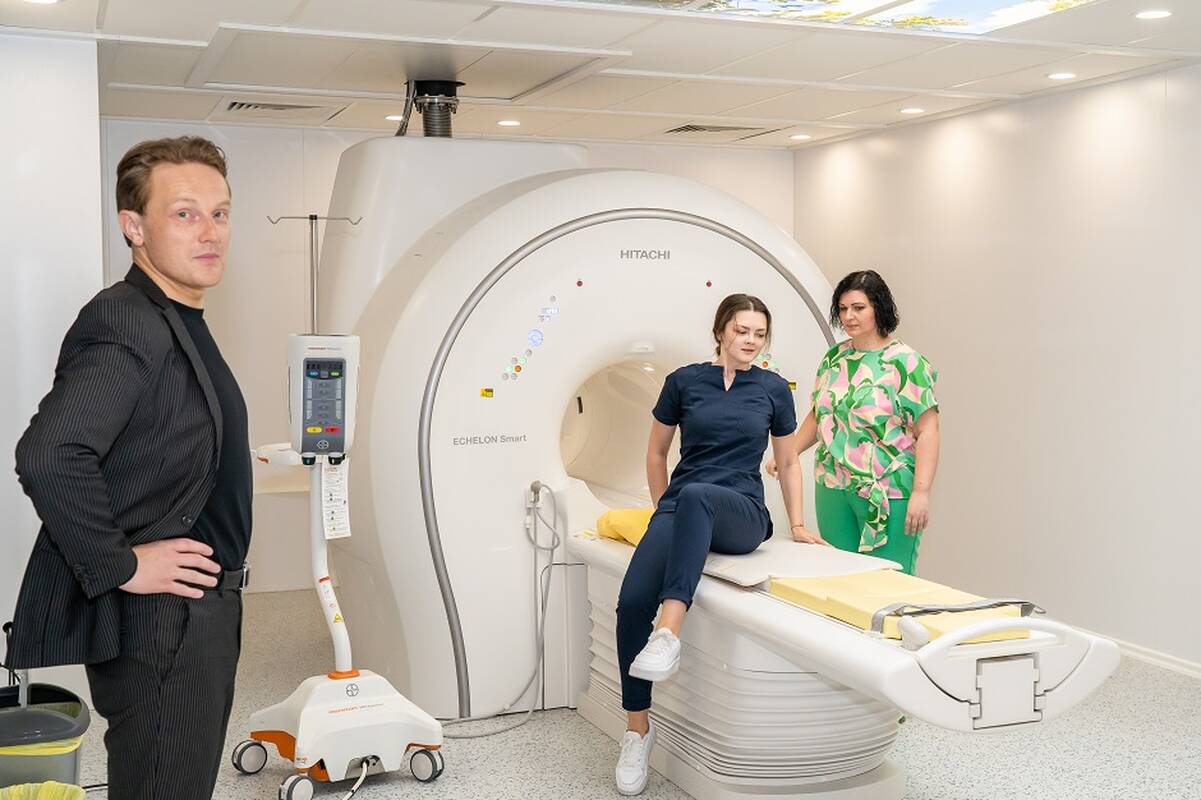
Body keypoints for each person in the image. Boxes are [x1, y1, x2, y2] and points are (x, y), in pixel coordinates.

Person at [7, 136, 251, 799]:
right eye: (185, 213)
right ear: (134, 227)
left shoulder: (176, 316)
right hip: (165, 620)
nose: (210, 232)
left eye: (220, 213)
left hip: (196, 611)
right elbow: (50, 454)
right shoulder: (127, 318)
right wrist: (120, 564)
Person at [613, 293, 825, 796]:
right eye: (741, 330)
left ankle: (669, 632)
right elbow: (656, 453)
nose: (751, 340)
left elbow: (788, 461)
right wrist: (665, 512)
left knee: (699, 495)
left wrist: (797, 523)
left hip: (741, 513)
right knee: (630, 603)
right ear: (720, 331)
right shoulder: (683, 382)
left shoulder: (773, 388)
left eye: (759, 334)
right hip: (682, 505)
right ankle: (637, 730)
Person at [768, 269, 939, 574]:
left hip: (888, 489)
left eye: (858, 308)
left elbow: (928, 430)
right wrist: (788, 453)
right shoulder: (834, 358)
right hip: (833, 484)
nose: (849, 316)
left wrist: (921, 493)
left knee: (889, 579)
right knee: (839, 576)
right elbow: (821, 415)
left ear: (878, 308)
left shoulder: (906, 362)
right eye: (843, 308)